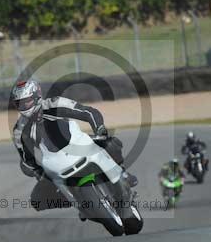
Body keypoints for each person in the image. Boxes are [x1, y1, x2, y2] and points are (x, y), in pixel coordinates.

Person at [11, 78, 137, 212]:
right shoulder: (20, 129)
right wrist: (36, 171)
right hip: (55, 161)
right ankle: (81, 204)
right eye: (20, 104)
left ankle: (122, 173)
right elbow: (25, 157)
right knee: (37, 200)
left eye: (27, 101)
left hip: (77, 142)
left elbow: (88, 112)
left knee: (111, 143)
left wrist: (100, 129)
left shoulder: (55, 104)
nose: (24, 106)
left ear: (37, 96)